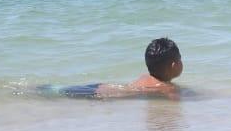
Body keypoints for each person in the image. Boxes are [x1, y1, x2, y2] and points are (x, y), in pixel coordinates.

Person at [51, 37, 184, 100]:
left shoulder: (146, 77)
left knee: (56, 90)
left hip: (100, 87)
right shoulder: (166, 88)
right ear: (174, 66)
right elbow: (176, 101)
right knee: (58, 93)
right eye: (180, 59)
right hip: (101, 95)